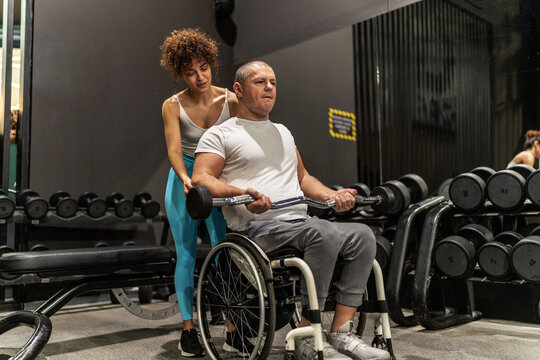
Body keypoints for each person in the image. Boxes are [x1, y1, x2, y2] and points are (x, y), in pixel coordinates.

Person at [192, 61, 390, 360]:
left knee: (363, 235)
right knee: (321, 232)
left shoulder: (283, 132)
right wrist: (242, 194)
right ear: (239, 90)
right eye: (260, 82)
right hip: (257, 230)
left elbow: (303, 178)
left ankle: (341, 333)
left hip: (299, 223)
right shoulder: (221, 134)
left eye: (272, 82)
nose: (269, 87)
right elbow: (201, 178)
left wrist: (333, 195)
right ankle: (308, 339)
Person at [159, 28, 238, 357]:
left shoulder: (230, 100)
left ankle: (232, 325)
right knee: (187, 253)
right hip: (184, 182)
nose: (199, 76)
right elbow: (175, 149)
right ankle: (188, 329)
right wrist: (184, 177)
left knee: (226, 251)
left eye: (203, 67)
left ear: (211, 65)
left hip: (216, 178)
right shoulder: (172, 105)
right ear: (180, 74)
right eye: (190, 72)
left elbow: (239, 144)